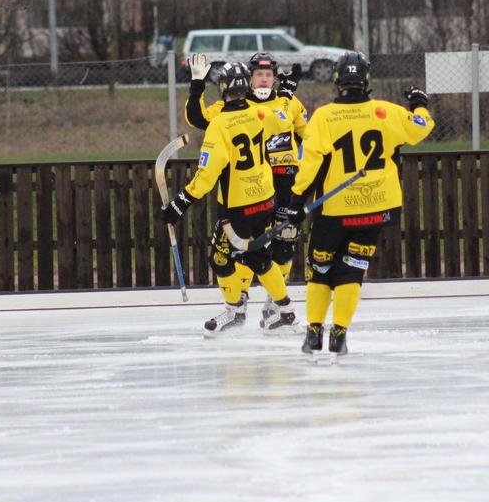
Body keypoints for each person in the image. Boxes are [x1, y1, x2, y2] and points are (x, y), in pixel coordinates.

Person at [278, 51, 434, 355]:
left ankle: (314, 333)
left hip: (335, 210)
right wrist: (419, 104)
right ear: (366, 79)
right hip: (375, 209)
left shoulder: (324, 116)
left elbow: (310, 164)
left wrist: (296, 201)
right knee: (352, 270)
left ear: (337, 80)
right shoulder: (387, 112)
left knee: (320, 270)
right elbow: (421, 126)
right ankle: (339, 334)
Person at [162, 61, 298, 335]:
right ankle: (286, 312)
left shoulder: (220, 125)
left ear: (223, 87)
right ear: (247, 84)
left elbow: (207, 174)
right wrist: (285, 94)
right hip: (265, 199)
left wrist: (180, 203)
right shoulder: (259, 113)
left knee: (220, 259)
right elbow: (282, 120)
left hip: (238, 208)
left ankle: (234, 311)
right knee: (259, 257)